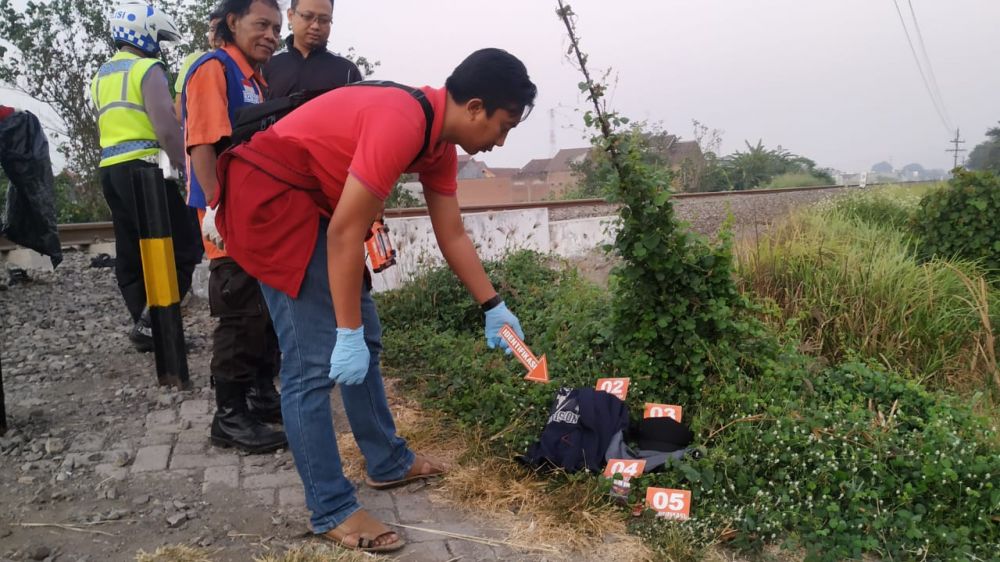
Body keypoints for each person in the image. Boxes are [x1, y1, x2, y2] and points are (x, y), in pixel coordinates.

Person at [213, 48, 537, 552]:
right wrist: (342, 334)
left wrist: (492, 305)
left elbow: (451, 235)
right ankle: (332, 507)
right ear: (475, 107)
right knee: (311, 364)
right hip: (271, 201)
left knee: (366, 337)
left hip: (316, 204)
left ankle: (387, 461)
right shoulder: (402, 121)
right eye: (503, 125)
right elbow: (346, 233)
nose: (500, 140)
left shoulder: (438, 146)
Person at [180, 0, 286, 453]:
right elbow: (202, 143)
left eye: (277, 28)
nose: (271, 35)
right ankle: (229, 417)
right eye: (261, 24)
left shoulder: (254, 79)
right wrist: (216, 209)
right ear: (232, 23)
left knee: (263, 314)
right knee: (239, 315)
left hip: (254, 214)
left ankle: (262, 396)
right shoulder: (213, 69)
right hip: (226, 218)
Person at [90, 1, 203, 352]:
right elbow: (167, 128)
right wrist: (187, 168)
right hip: (146, 169)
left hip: (111, 170)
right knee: (186, 244)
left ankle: (145, 323)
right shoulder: (147, 68)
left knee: (131, 251)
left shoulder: (101, 75)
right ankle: (155, 322)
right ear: (147, 32)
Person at [262, 0, 362, 99]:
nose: (315, 26)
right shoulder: (266, 65)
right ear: (290, 15)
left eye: (324, 20)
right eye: (307, 17)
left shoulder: (348, 71)